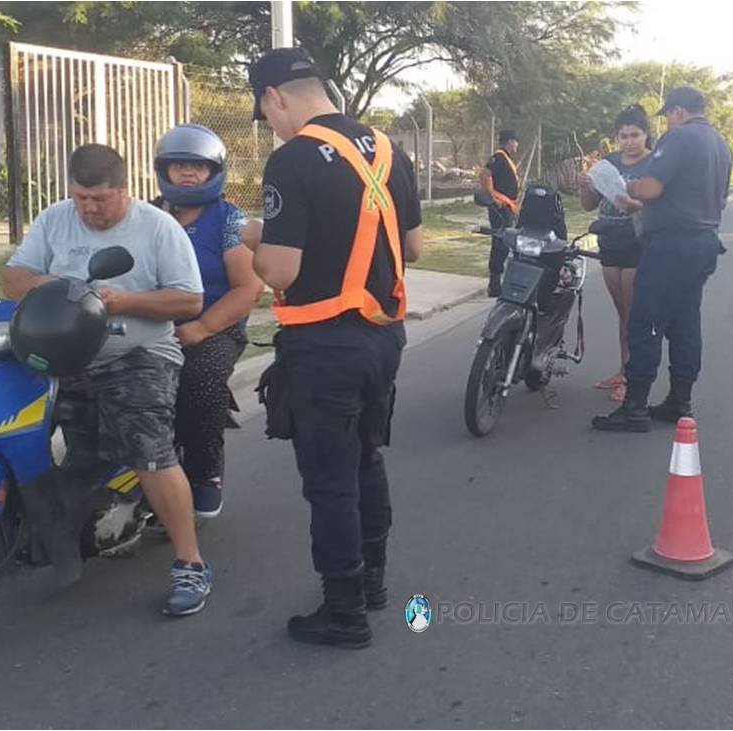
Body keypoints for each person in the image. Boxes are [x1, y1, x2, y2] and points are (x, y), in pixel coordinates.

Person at [245, 48, 423, 648]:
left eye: (265, 113)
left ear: (276, 97)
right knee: (367, 456)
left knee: (329, 481)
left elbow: (282, 270)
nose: (271, 125)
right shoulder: (391, 150)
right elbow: (415, 247)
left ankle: (343, 612)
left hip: (323, 346)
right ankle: (373, 581)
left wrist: (255, 240)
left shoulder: (291, 160)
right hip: (384, 337)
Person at [2, 144, 215, 617]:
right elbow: (13, 278)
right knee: (13, 427)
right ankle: (31, 531)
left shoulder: (158, 227)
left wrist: (120, 302)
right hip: (61, 354)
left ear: (124, 190)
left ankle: (190, 563)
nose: (89, 209)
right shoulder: (55, 219)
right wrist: (63, 288)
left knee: (148, 448)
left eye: (100, 199)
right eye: (80, 198)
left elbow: (189, 302)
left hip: (138, 353)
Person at [591, 87, 732, 433]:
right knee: (685, 321)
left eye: (668, 114)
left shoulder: (679, 138)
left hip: (670, 246)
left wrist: (628, 188)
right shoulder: (721, 145)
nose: (667, 120)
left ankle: (634, 407)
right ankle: (679, 401)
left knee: (645, 322)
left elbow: (652, 188)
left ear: (679, 111)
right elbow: (721, 200)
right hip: (703, 242)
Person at [150, 124, 265, 518]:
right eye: (179, 165)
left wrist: (200, 328)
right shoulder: (146, 215)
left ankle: (205, 472)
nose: (187, 174)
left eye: (197, 167)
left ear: (214, 171)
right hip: (151, 323)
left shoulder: (228, 219)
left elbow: (248, 289)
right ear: (162, 170)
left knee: (200, 382)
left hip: (215, 327)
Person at [577, 104, 652, 403]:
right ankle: (623, 369)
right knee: (622, 311)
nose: (630, 141)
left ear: (646, 135)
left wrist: (636, 206)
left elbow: (661, 204)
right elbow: (588, 204)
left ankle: (634, 377)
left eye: (635, 135)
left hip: (639, 240)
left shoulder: (655, 164)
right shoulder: (606, 163)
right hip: (610, 240)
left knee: (635, 312)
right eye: (624, 136)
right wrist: (584, 185)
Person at [478, 130, 521, 297]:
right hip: (500, 208)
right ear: (509, 142)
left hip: (507, 207)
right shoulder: (498, 158)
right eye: (516, 141)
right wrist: (493, 197)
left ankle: (501, 281)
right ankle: (494, 284)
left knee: (506, 243)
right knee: (500, 243)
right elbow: (485, 175)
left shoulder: (506, 159)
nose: (517, 145)